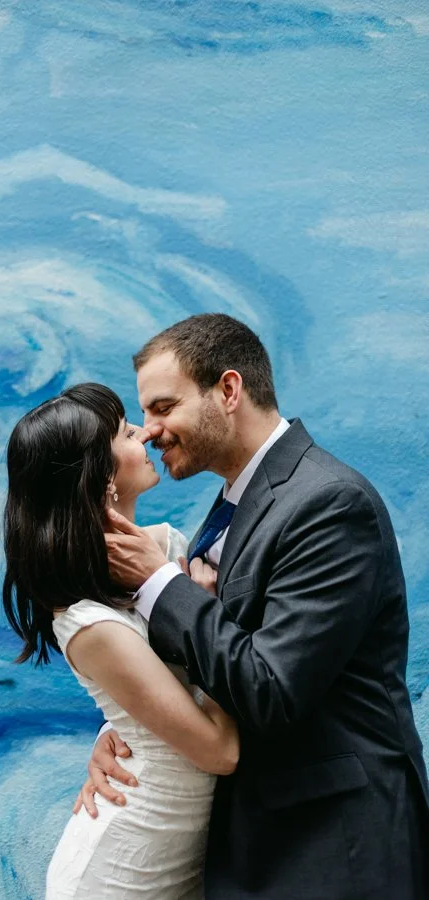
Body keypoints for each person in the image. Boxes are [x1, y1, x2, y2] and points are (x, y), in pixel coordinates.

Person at [77, 314, 429, 900]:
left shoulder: (328, 503)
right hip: (268, 845)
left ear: (230, 390)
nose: (150, 431)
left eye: (163, 407)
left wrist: (160, 582)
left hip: (336, 848)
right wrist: (130, 725)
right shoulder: (237, 504)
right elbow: (213, 656)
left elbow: (271, 687)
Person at [2, 382, 240, 899]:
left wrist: (114, 729)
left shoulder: (171, 547)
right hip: (123, 873)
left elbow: (160, 693)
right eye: (129, 433)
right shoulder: (88, 623)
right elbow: (219, 751)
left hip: (185, 855)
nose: (149, 434)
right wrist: (208, 612)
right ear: (103, 478)